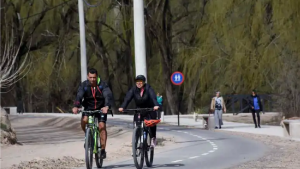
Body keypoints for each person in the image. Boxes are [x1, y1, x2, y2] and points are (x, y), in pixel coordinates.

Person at [72, 68, 113, 159]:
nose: (92, 79)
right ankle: (88, 135)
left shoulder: (103, 85)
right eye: (90, 77)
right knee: (84, 120)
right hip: (88, 107)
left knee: (102, 126)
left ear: (97, 77)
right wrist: (76, 106)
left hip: (101, 108)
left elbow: (108, 95)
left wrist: (106, 106)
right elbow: (79, 95)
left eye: (94, 77)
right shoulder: (84, 85)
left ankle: (102, 150)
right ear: (88, 77)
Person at [118, 75, 160, 147]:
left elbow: (153, 97)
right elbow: (127, 98)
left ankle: (153, 138)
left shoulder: (148, 88)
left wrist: (156, 105)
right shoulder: (133, 89)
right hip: (139, 109)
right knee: (137, 125)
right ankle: (135, 145)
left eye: (140, 82)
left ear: (144, 82)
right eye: (137, 82)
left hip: (149, 108)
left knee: (152, 122)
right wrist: (122, 107)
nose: (138, 83)